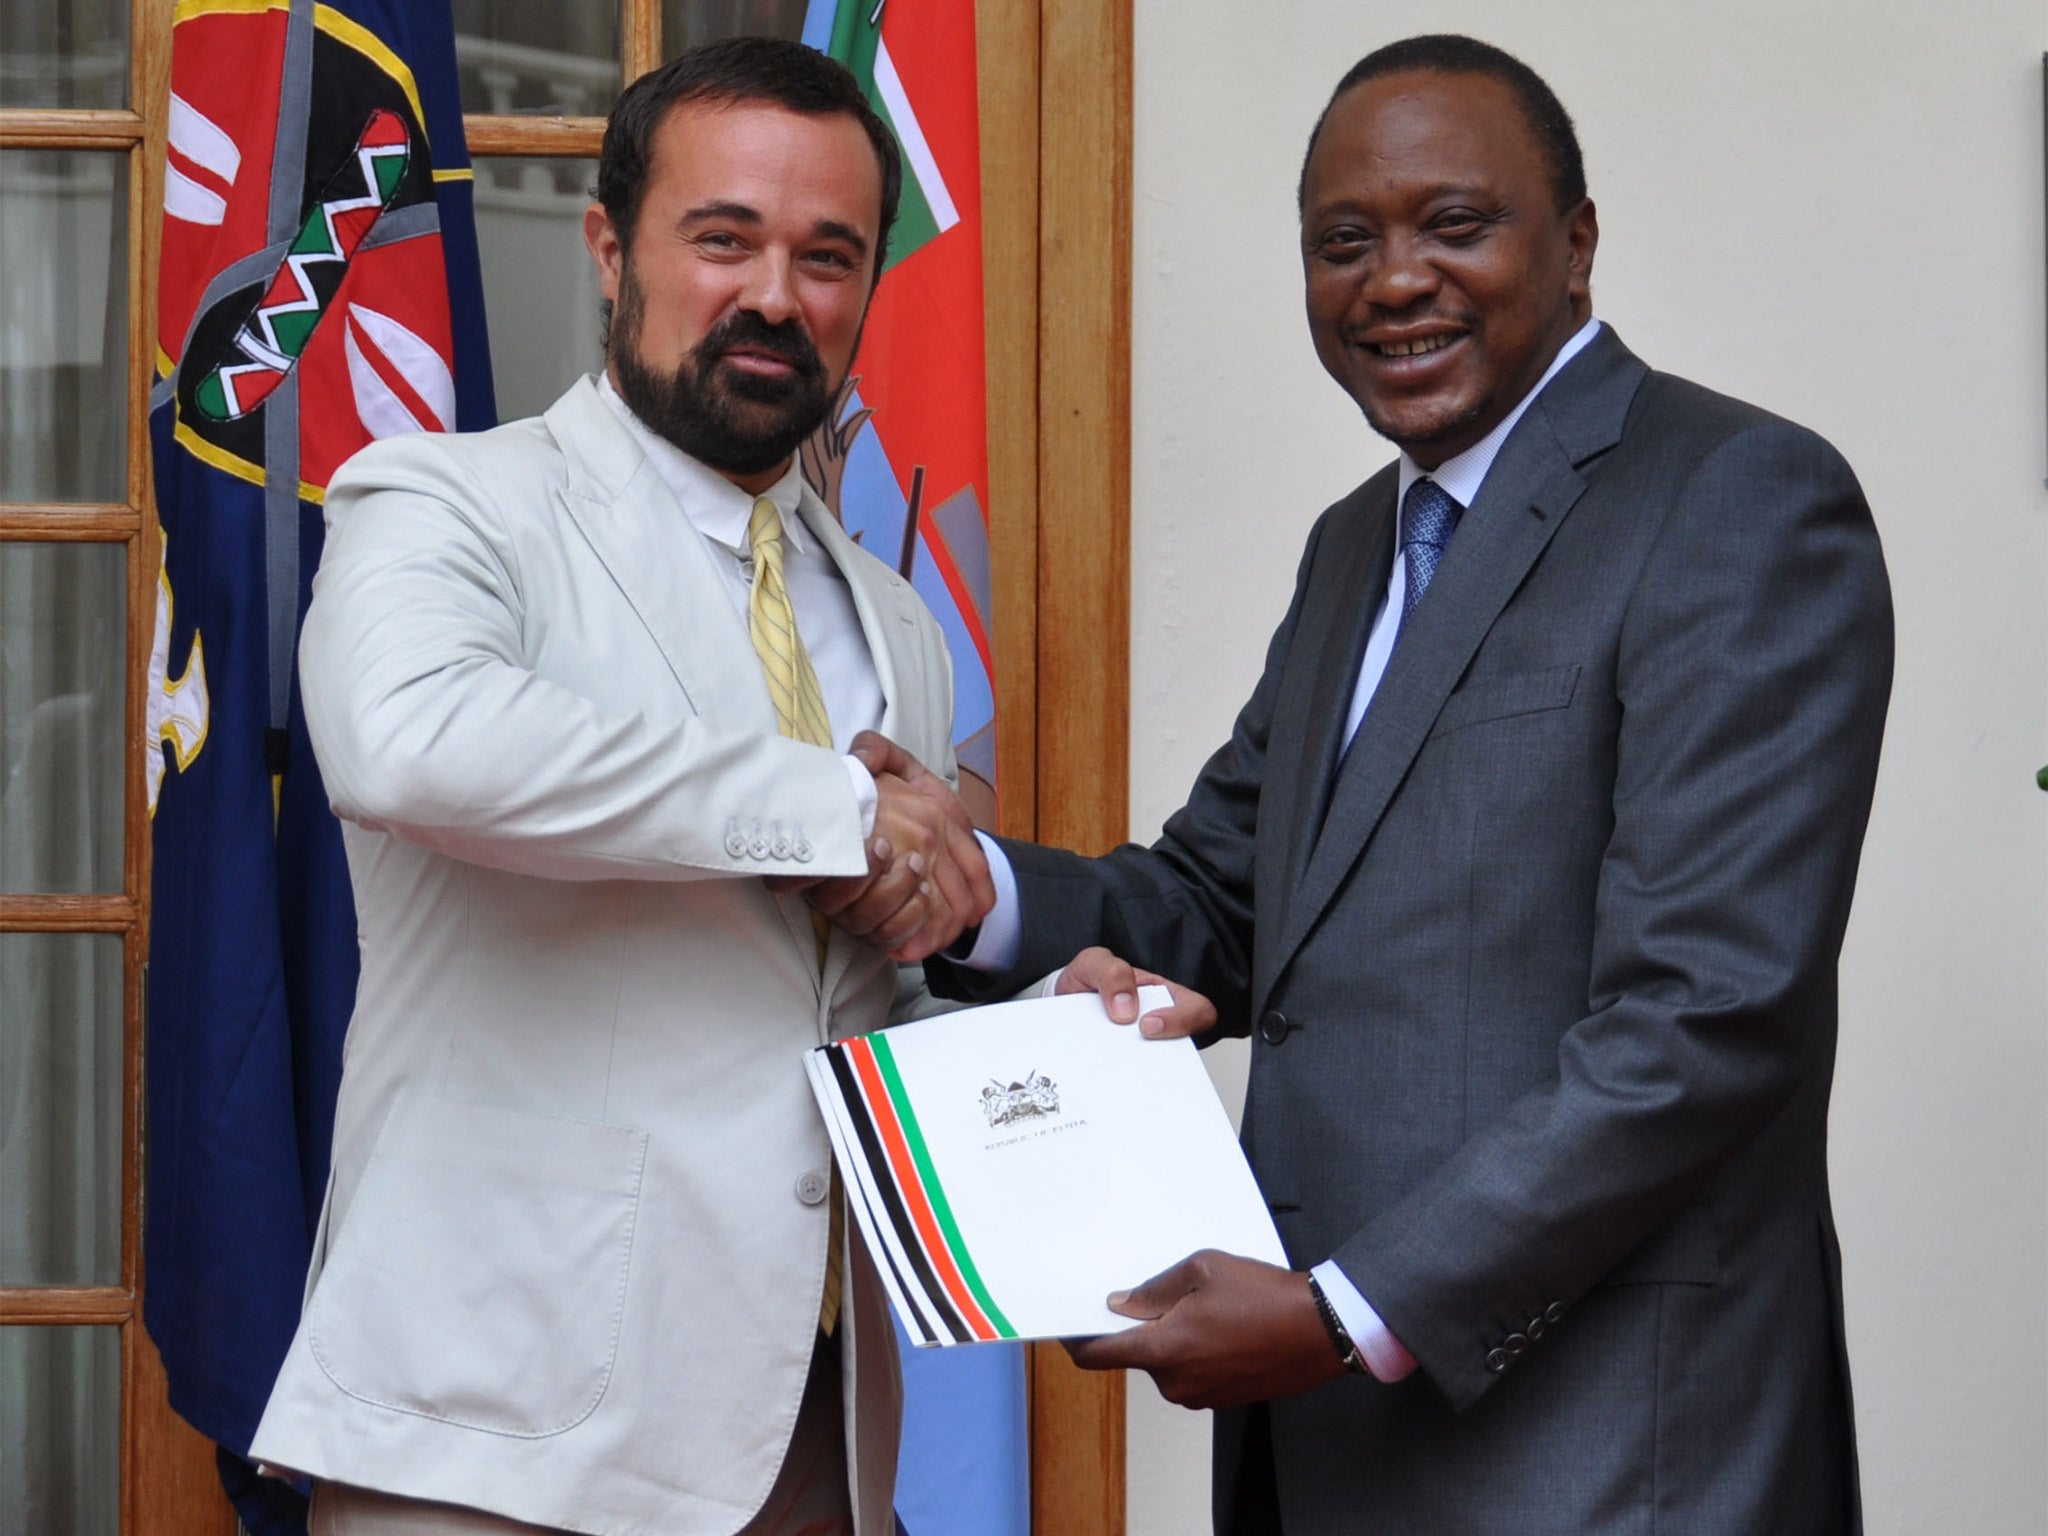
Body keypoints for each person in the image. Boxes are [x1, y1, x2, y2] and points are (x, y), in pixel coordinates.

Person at [905, 33, 1892, 1536]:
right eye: (1341, 242)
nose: (1392, 280)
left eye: (1456, 224)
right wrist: (968, 892)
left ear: (1577, 244)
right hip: (1333, 1453)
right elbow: (1226, 907)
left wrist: (1338, 1311)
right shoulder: (1359, 542)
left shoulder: (1738, 499)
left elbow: (1707, 1019)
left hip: (1610, 1452)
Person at [250, 37, 991, 1536]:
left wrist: (1046, 1011)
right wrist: (833, 807)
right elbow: (410, 740)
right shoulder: (445, 501)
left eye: (826, 256)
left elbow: (839, 996)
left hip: (815, 1447)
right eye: (724, 238)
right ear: (610, 249)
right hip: (493, 1442)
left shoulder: (895, 620)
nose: (776, 297)